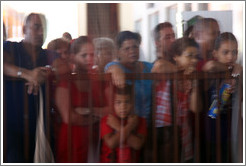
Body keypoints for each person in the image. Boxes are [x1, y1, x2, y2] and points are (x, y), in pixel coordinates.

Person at [3, 13, 53, 162]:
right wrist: (27, 74)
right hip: (11, 123)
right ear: (24, 28)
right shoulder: (11, 47)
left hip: (39, 125)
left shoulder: (47, 54)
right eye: (36, 27)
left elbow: (62, 66)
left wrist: (46, 73)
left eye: (43, 28)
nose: (41, 33)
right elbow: (3, 65)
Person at [55, 36, 109, 163]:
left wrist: (86, 111)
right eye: (84, 55)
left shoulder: (99, 78)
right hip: (73, 138)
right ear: (73, 57)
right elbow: (69, 117)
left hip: (96, 137)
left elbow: (110, 109)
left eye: (92, 54)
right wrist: (97, 116)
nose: (89, 59)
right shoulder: (65, 80)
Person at [202, 32, 243, 162]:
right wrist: (229, 69)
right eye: (225, 52)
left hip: (233, 131)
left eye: (234, 52)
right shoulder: (213, 71)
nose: (231, 56)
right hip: (213, 131)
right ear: (215, 54)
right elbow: (210, 66)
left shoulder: (237, 73)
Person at [160, 37, 201, 162]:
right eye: (189, 56)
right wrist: (180, 72)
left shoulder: (192, 77)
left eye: (196, 56)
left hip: (184, 133)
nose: (194, 60)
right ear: (176, 56)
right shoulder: (166, 69)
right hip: (164, 133)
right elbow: (158, 66)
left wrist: (194, 82)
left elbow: (196, 108)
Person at [105, 31, 153, 124]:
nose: (132, 51)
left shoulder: (148, 67)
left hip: (149, 123)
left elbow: (160, 68)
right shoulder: (115, 67)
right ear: (118, 52)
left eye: (135, 47)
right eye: (127, 48)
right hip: (128, 124)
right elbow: (109, 67)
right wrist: (114, 68)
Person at [100, 85, 147, 163]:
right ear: (113, 104)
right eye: (118, 102)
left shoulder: (140, 120)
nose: (123, 106)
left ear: (132, 103)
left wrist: (118, 127)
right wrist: (130, 126)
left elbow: (137, 145)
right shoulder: (108, 120)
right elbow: (112, 143)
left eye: (127, 102)